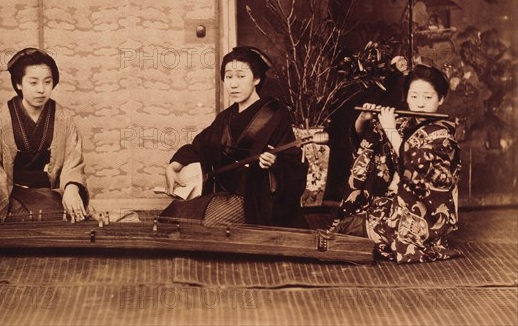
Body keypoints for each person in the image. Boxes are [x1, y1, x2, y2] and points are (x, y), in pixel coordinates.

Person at [161, 46, 308, 228]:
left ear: (256, 78)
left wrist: (274, 164)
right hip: (223, 194)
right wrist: (173, 167)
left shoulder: (274, 114)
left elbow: (293, 162)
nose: (233, 84)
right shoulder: (225, 117)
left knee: (207, 226)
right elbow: (200, 147)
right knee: (171, 217)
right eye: (229, 77)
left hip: (255, 201)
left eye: (241, 76)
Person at [331, 64, 462, 263]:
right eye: (414, 96)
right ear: (406, 96)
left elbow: (420, 167)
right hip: (392, 203)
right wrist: (363, 121)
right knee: (348, 226)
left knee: (364, 235)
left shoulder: (443, 137)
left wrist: (390, 130)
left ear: (441, 99)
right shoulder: (403, 123)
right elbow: (371, 146)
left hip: (423, 214)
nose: (419, 104)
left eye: (428, 97)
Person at [0, 48, 89, 224]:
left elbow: (73, 160)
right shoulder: (3, 118)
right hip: (12, 194)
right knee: (1, 214)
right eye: (33, 83)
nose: (41, 90)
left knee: (63, 214)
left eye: (47, 82)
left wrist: (71, 188)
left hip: (50, 194)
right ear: (18, 83)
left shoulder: (63, 118)